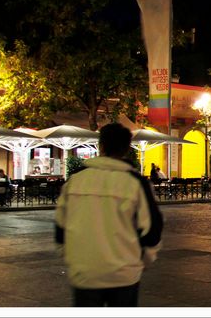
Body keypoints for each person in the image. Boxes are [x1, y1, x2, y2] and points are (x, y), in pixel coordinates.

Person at [54, 123, 163, 307]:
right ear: (128, 148)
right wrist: (143, 260)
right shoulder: (136, 183)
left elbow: (60, 226)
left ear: (101, 146)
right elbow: (152, 228)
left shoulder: (75, 181)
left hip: (84, 272)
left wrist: (71, 257)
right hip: (124, 273)